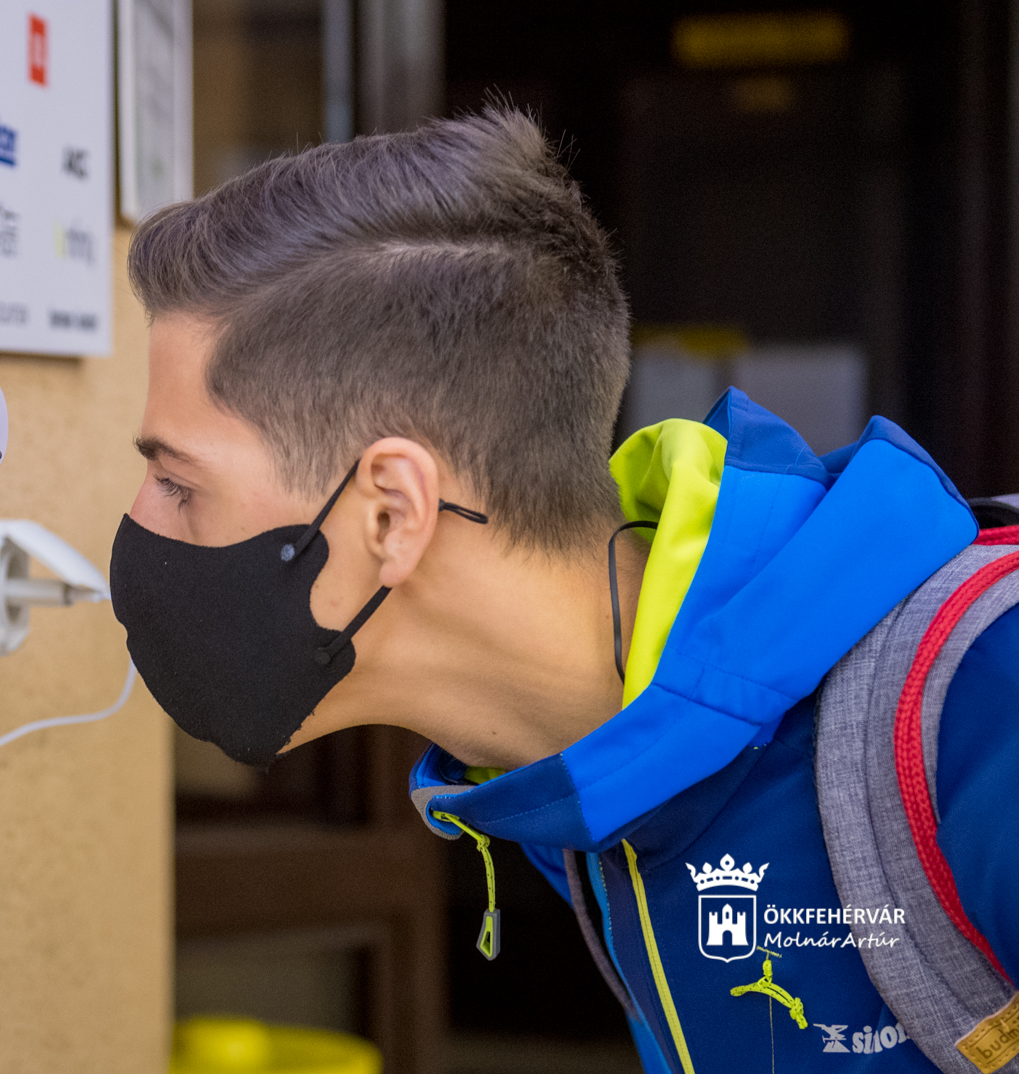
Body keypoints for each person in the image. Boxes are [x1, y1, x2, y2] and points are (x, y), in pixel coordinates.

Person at [106, 107, 1019, 1073]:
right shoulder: (587, 773)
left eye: (176, 481)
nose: (137, 525)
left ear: (390, 513)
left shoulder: (986, 697)